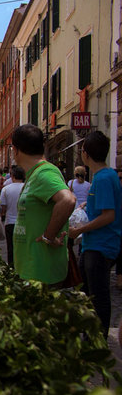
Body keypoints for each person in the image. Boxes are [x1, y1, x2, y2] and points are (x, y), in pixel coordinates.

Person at [68, 132, 121, 339]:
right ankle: (90, 334)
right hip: (94, 245)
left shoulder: (104, 178)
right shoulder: (102, 177)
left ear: (85, 153)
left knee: (98, 296)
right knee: (86, 291)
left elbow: (109, 215)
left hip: (101, 245)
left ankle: (97, 339)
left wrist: (80, 230)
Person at [12, 125, 76, 285]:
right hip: (32, 269)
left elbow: (67, 200)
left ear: (15, 150)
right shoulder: (35, 174)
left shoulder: (44, 173)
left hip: (42, 272)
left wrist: (49, 235)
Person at [0, 166, 25, 266]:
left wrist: (3, 214)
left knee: (10, 247)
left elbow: (3, 207)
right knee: (23, 247)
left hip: (10, 222)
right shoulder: (27, 188)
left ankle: (11, 267)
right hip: (24, 222)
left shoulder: (6, 189)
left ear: (12, 176)